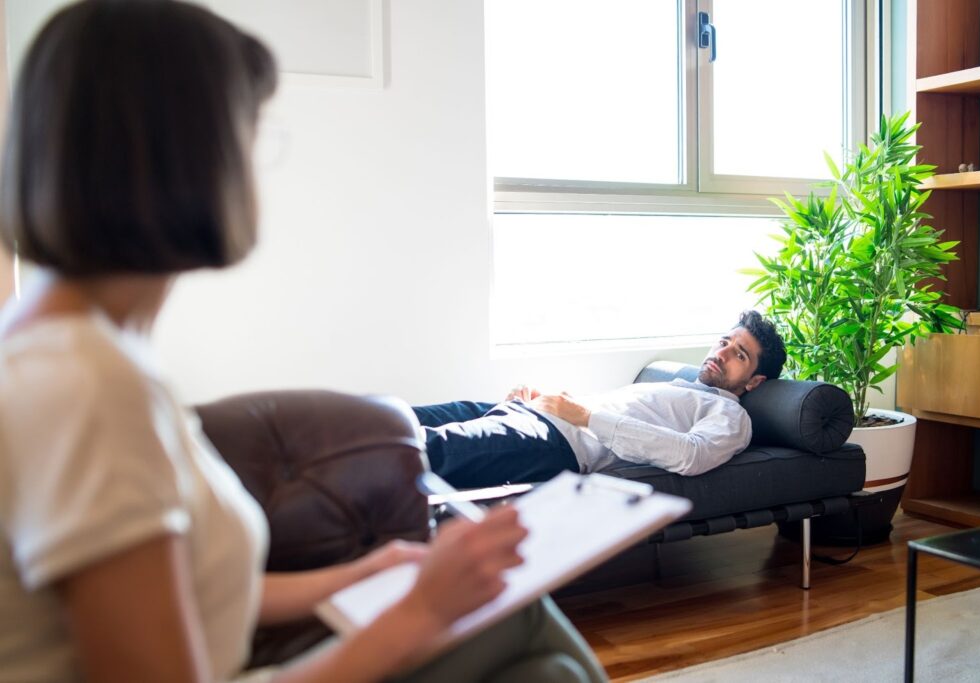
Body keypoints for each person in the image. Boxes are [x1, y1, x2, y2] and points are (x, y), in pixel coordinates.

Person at [0, 2, 605, 682]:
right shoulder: (86, 384)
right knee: (534, 638)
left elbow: (186, 591)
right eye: (250, 134)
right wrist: (420, 612)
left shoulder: (75, 351)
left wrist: (360, 574)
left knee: (539, 653)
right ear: (185, 156)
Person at [413, 311, 786, 489]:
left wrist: (583, 416)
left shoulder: (729, 414)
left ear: (755, 381)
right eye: (724, 341)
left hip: (554, 443)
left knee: (421, 450)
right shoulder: (681, 386)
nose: (721, 353)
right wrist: (543, 401)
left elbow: (690, 455)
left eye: (739, 354)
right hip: (531, 416)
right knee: (400, 418)